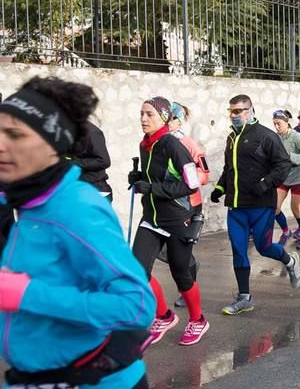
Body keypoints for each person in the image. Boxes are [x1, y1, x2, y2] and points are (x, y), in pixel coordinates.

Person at [0, 77, 154, 388]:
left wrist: (29, 295)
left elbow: (136, 305)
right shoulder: (30, 204)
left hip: (95, 380)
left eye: (14, 135)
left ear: (52, 144)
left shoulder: (75, 208)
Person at [210, 94, 300, 314]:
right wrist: (220, 189)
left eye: (238, 111)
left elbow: (282, 165)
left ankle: (289, 261)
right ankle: (244, 298)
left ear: (250, 111)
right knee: (238, 250)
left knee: (263, 247)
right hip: (236, 206)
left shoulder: (266, 136)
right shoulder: (232, 138)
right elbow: (228, 169)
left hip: (261, 205)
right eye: (231, 111)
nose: (233, 116)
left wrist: (265, 184)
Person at [129, 97, 209, 346]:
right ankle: (163, 316)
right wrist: (138, 176)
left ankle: (198, 320)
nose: (143, 118)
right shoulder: (146, 145)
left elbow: (190, 183)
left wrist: (151, 188)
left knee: (181, 273)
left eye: (150, 114)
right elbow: (158, 175)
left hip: (177, 217)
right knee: (137, 271)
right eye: (141, 113)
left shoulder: (173, 146)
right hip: (151, 217)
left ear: (163, 118)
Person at [166, 102, 210, 308]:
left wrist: (185, 180)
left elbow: (204, 174)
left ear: (178, 121)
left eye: (171, 119)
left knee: (180, 253)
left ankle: (187, 287)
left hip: (188, 204)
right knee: (163, 250)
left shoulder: (190, 145)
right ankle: (191, 263)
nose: (167, 123)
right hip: (165, 204)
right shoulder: (157, 142)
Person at [272, 109, 300, 248]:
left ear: (286, 122)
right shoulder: (275, 137)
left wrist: (291, 157)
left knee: (296, 209)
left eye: (279, 124)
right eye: (275, 124)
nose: (276, 127)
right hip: (282, 177)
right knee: (275, 207)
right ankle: (285, 232)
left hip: (297, 177)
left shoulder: (297, 137)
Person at [74, 120, 113, 201]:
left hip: (96, 190)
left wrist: (74, 163)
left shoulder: (92, 132)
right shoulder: (69, 131)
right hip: (78, 188)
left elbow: (104, 161)